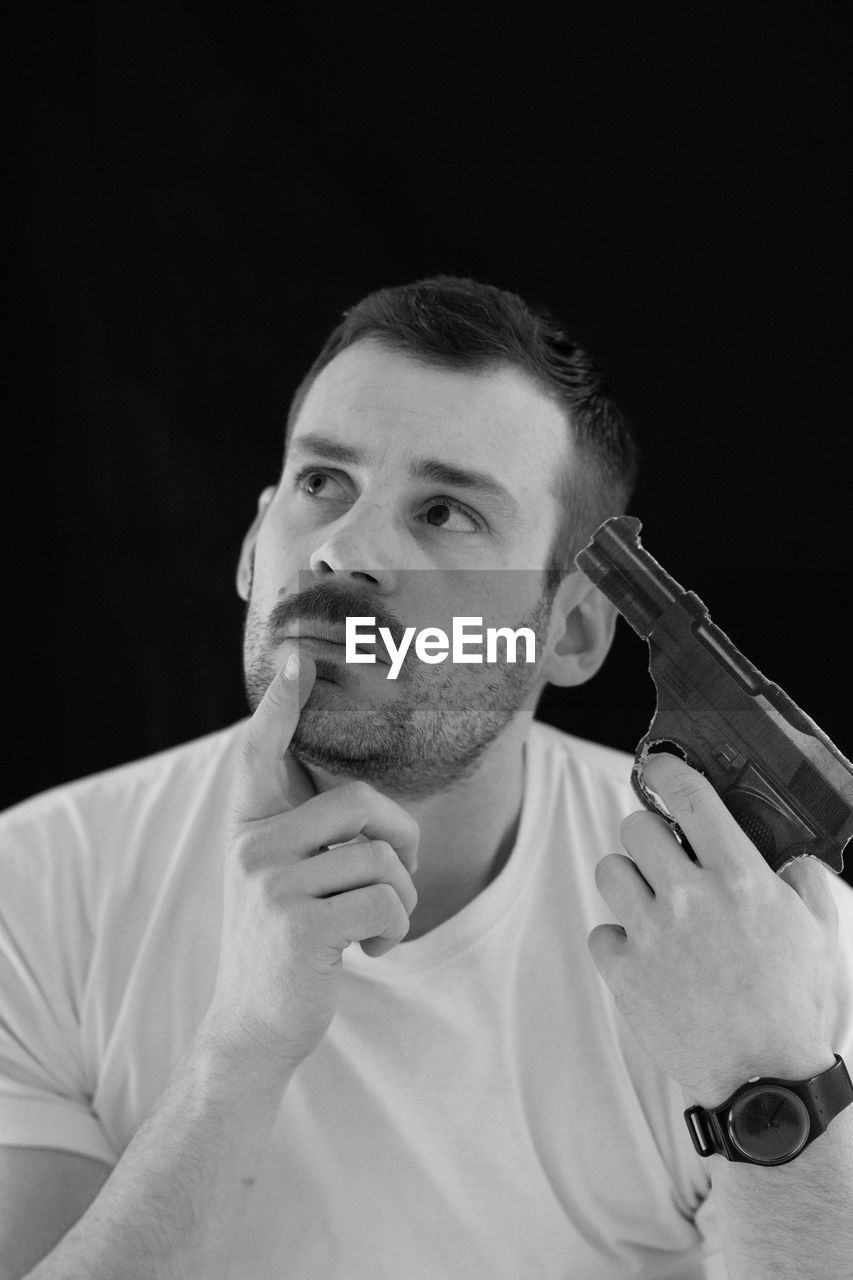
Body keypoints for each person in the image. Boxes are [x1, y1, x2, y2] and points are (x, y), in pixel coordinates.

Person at [1, 276, 851, 1280]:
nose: (344, 549)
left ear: (570, 627)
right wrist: (240, 1049)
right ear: (249, 545)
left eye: (443, 510)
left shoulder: (765, 945)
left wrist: (760, 1076)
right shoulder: (36, 884)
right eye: (323, 482)